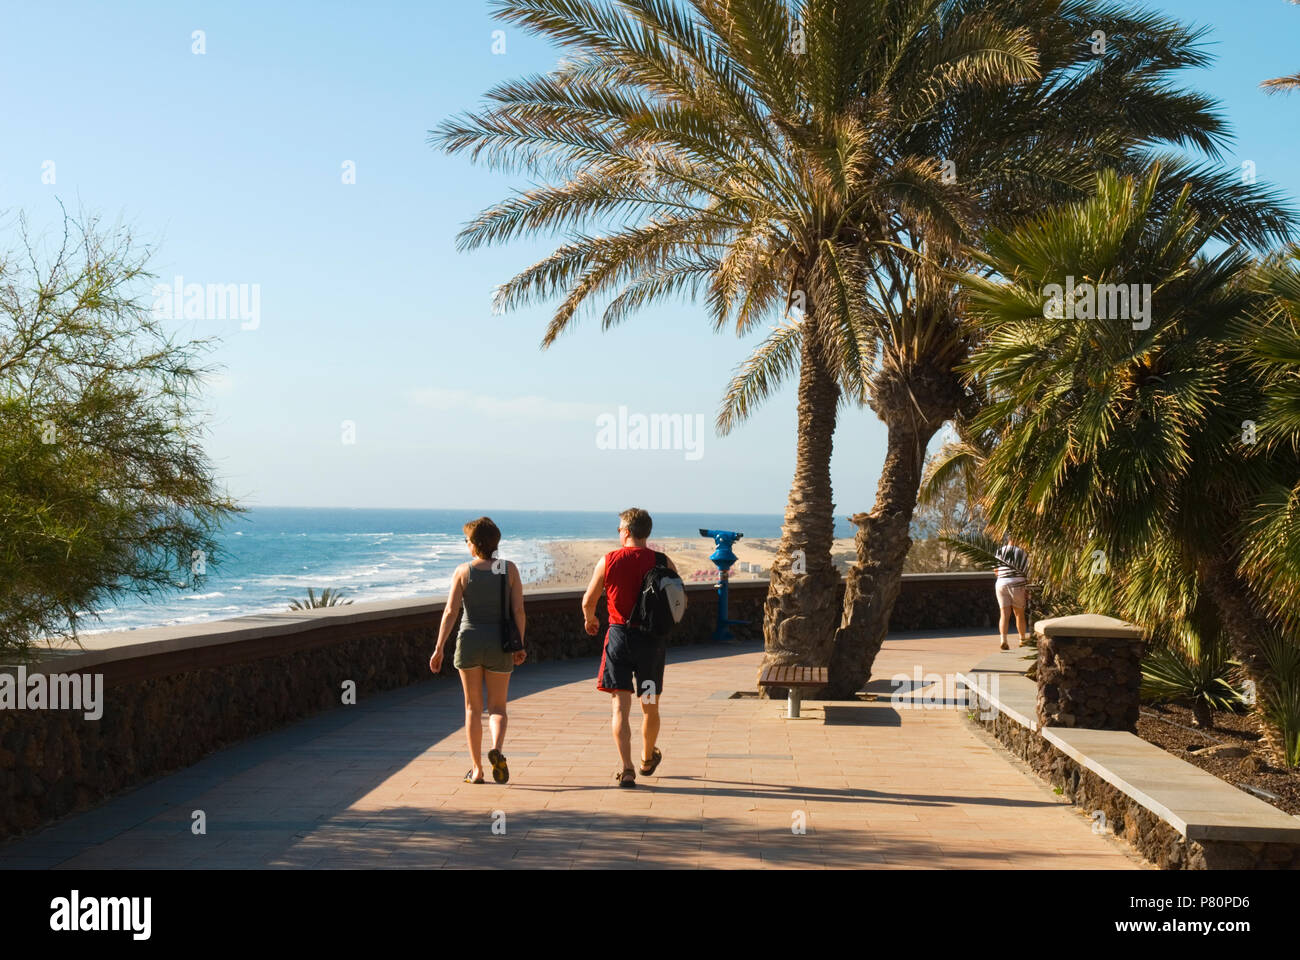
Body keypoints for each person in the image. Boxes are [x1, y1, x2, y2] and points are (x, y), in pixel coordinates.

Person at [582, 507, 678, 788]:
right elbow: (676, 599)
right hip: (650, 643)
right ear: (646, 532)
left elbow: (588, 600)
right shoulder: (662, 561)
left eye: (619, 529)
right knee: (649, 705)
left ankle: (627, 768)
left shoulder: (609, 560)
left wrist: (590, 620)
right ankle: (648, 757)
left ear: (625, 531)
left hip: (619, 639)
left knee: (620, 708)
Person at [430, 517, 527, 784]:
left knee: (473, 708)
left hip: (470, 641)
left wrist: (439, 648)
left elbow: (450, 612)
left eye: (467, 541)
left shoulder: (463, 571)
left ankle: (477, 770)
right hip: (500, 643)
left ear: (474, 544)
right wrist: (519, 643)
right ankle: (496, 749)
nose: (467, 545)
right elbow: (519, 610)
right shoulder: (509, 569)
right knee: (498, 707)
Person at [994, 534, 1030, 650]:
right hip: (1017, 584)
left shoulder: (999, 551)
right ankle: (1022, 640)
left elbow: (996, 571)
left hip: (1001, 584)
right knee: (1019, 614)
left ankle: (1003, 640)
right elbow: (1026, 573)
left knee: (1004, 614)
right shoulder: (1022, 552)